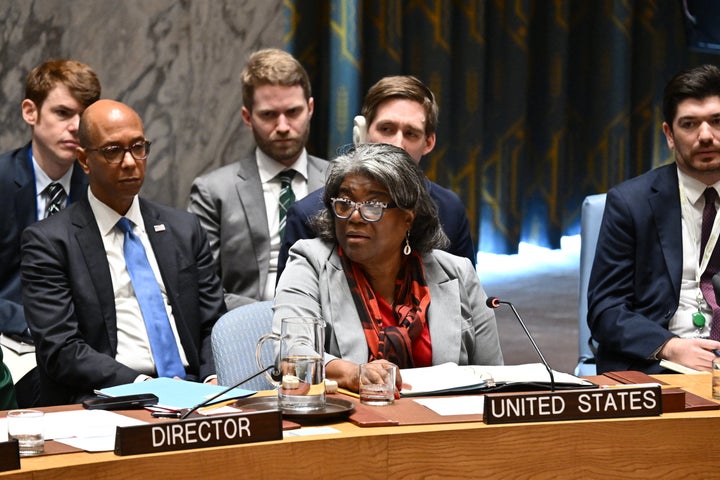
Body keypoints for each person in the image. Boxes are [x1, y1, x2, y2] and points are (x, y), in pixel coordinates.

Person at [20, 100, 226, 406]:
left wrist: (212, 378)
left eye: (138, 147)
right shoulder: (49, 242)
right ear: (84, 160)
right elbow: (61, 348)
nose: (130, 161)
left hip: (199, 392)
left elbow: (213, 321)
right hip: (113, 396)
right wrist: (145, 386)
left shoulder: (184, 229)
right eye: (113, 151)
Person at [274, 143, 503, 393]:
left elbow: (495, 376)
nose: (354, 216)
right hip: (354, 422)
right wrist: (352, 373)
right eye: (345, 202)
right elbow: (292, 354)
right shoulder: (310, 262)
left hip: (447, 423)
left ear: (407, 217)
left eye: (373, 204)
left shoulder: (457, 273)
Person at [588, 64, 720, 374]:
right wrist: (670, 347)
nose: (705, 136)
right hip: (660, 364)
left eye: (717, 121)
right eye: (689, 124)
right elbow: (605, 310)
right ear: (670, 135)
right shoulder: (630, 203)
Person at [277, 75, 475, 279]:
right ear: (361, 134)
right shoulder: (308, 214)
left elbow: (466, 301)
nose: (397, 144)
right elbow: (291, 304)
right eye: (386, 129)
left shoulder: (450, 210)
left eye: (411, 134)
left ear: (429, 142)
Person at [188, 48, 328, 309]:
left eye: (293, 112)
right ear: (247, 117)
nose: (283, 126)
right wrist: (266, 317)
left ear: (310, 109)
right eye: (268, 115)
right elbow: (203, 284)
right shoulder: (213, 192)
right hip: (245, 329)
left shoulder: (339, 183)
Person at [0, 59, 101, 407]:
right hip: (11, 336)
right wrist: (40, 323)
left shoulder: (100, 189)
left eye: (84, 118)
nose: (76, 128)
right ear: (30, 112)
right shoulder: (1, 180)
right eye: (63, 113)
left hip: (85, 341)